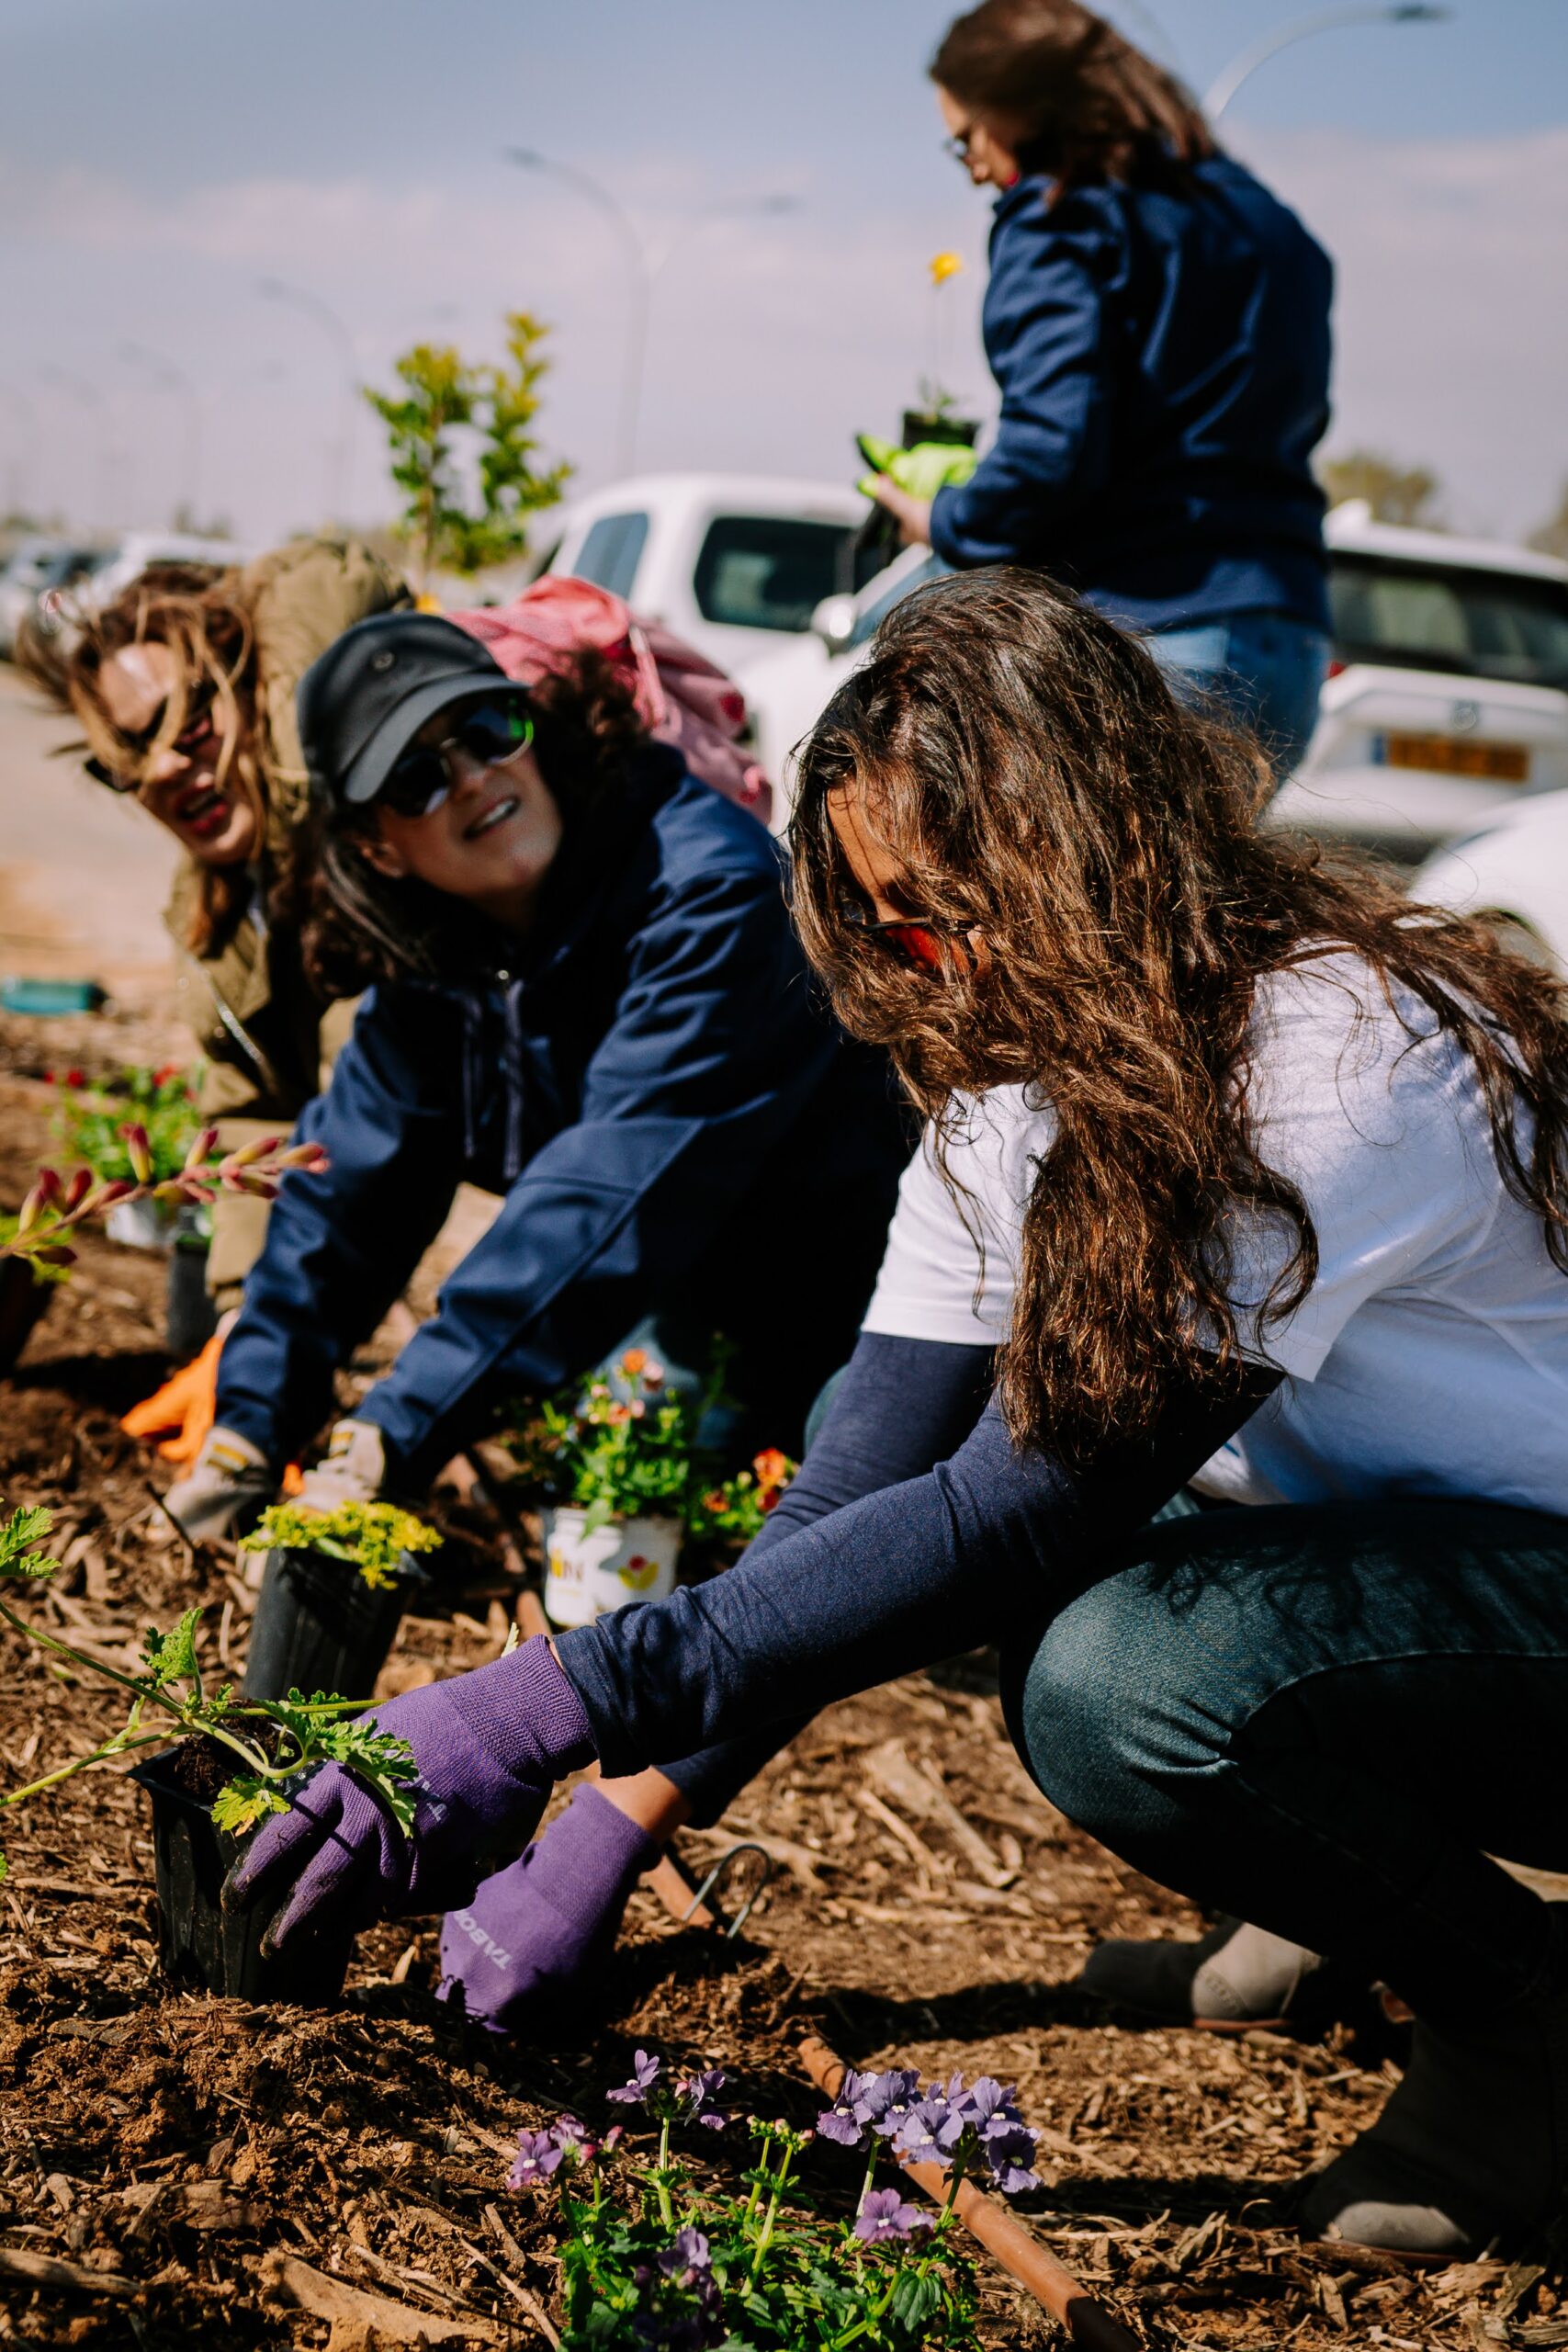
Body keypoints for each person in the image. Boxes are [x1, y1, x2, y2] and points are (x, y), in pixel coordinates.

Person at [234, 568, 1568, 2260]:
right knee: (1001, 1589)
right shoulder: (1006, 1084)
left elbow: (1021, 1508)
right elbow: (863, 1481)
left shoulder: (1324, 1053)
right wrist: (602, 1829)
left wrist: (549, 1699)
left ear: (1115, 840)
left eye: (978, 902)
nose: (948, 969)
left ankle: (1522, 2016)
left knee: (1122, 1677)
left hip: (1545, 1599)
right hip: (1431, 1576)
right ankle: (1310, 1922)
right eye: (902, 924)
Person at [165, 610, 910, 1567]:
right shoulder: (442, 947)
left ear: (535, 731)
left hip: (844, 1301)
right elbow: (352, 1182)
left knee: (778, 1516)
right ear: (376, 848)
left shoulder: (705, 895)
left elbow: (602, 1200)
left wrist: (389, 1433)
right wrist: (251, 1426)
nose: (472, 776)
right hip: (666, 1281)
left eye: (485, 730)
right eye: (416, 777)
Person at [869, 0, 1334, 775]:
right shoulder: (1262, 219)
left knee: (1015, 894)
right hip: (1286, 640)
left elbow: (1050, 450)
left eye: (968, 142)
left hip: (1147, 638)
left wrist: (943, 518)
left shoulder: (1064, 215)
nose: (978, 171)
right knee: (1184, 900)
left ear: (1021, 111)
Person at [22, 539, 411, 1320]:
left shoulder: (367, 820)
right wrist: (243, 1318)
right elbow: (253, 1116)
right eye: (128, 756)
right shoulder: (219, 917)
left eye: (185, 723)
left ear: (251, 685)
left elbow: (322, 577)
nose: (165, 768)